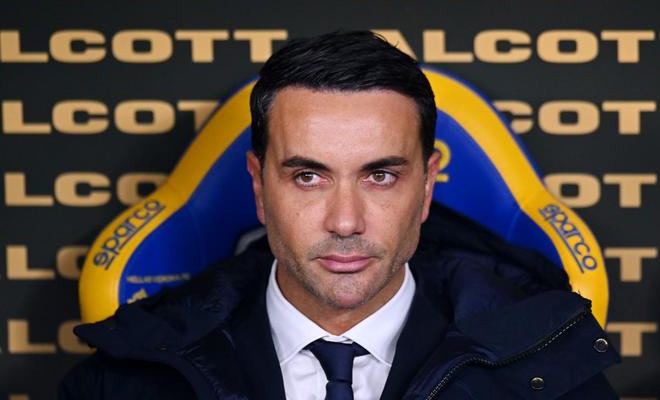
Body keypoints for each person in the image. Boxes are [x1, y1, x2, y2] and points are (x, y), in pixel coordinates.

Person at [59, 31, 620, 399]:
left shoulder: (551, 375)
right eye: (308, 177)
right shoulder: (124, 380)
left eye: (381, 176)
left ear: (427, 186)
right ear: (258, 186)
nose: (346, 222)